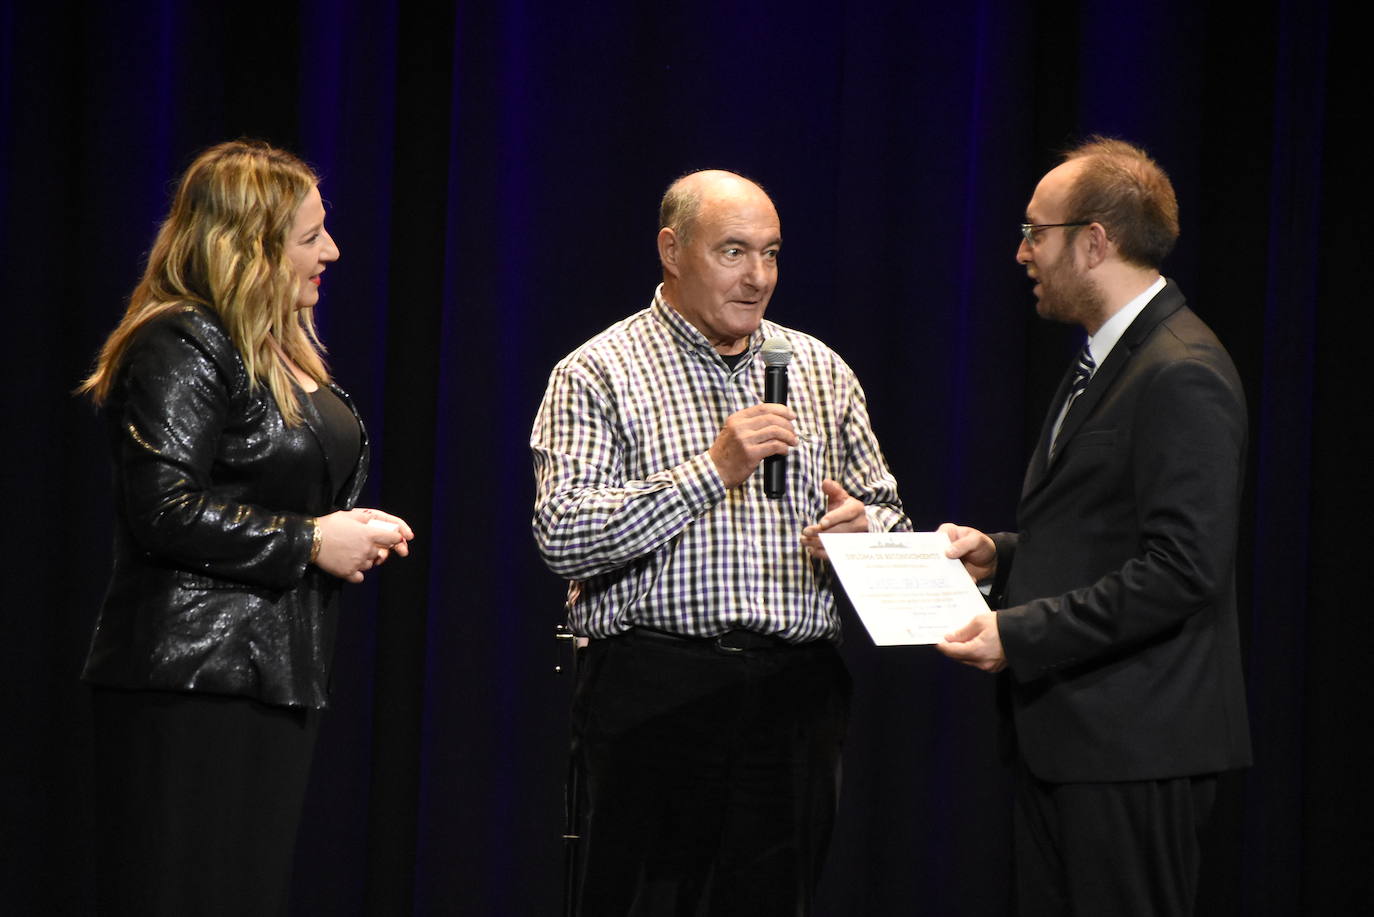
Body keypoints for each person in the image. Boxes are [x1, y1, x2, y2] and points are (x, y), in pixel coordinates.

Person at [531, 169, 907, 915]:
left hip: (795, 696)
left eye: (771, 254)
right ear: (672, 250)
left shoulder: (821, 370)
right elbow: (563, 534)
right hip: (655, 689)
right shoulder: (597, 371)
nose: (758, 277)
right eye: (734, 252)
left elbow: (890, 512)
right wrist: (713, 470)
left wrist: (866, 532)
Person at [77, 140, 414, 916]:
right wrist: (310, 540)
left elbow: (282, 482)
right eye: (309, 237)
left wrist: (341, 523)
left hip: (270, 671)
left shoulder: (272, 347)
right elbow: (163, 509)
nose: (331, 250)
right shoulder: (182, 340)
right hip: (192, 675)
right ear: (250, 248)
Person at [937, 138, 1251, 917]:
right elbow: (1104, 532)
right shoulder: (1109, 360)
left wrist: (1018, 632)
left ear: (1094, 241)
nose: (1020, 252)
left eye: (1033, 232)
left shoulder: (1181, 368)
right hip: (1078, 744)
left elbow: (1182, 569)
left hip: (1136, 750)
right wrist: (1001, 556)